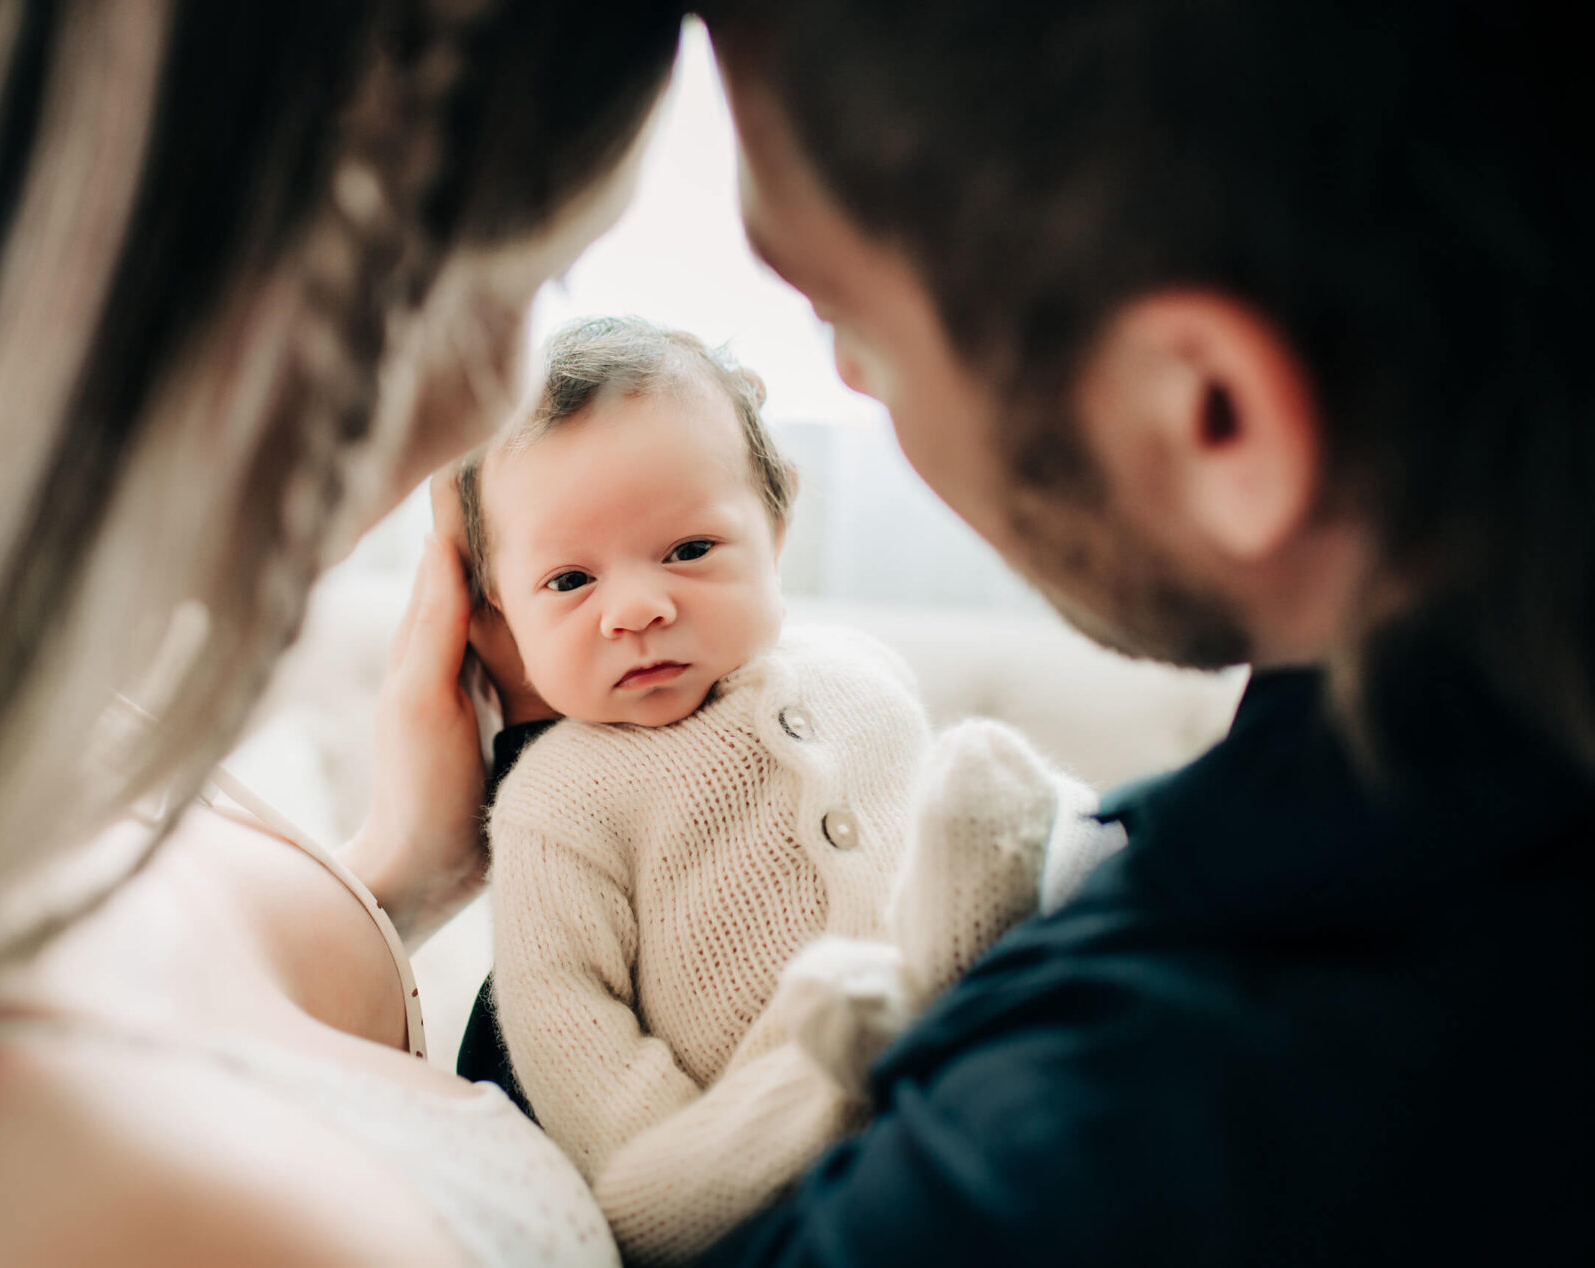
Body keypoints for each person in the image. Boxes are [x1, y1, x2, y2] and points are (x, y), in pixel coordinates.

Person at [0, 1, 687, 1264]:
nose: (496, 392)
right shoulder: (87, 1197)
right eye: (527, 278)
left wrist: (406, 870)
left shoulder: (26, 733)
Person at [658, 0, 1591, 1262]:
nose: (854, 382)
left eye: (852, 318)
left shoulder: (1096, 1139)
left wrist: (327, 938)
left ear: (1215, 417)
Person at [447, 315, 1116, 1263]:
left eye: (687, 550)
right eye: (568, 580)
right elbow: (573, 1039)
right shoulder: (557, 804)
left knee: (1028, 849)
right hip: (746, 1163)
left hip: (974, 1082)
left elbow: (930, 828)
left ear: (777, 520)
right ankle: (870, 1047)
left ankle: (1001, 938)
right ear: (498, 614)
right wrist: (686, 1163)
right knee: (676, 1169)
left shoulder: (859, 674)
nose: (637, 607)